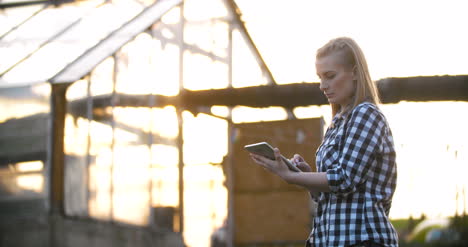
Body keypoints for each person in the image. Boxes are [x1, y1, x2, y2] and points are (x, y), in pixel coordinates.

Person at [249, 37, 398, 247]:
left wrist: (290, 176)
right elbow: (330, 196)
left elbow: (345, 179)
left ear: (354, 72)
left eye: (330, 76)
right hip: (332, 240)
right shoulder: (337, 122)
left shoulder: (366, 114)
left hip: (362, 239)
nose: (322, 86)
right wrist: (305, 173)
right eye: (320, 77)